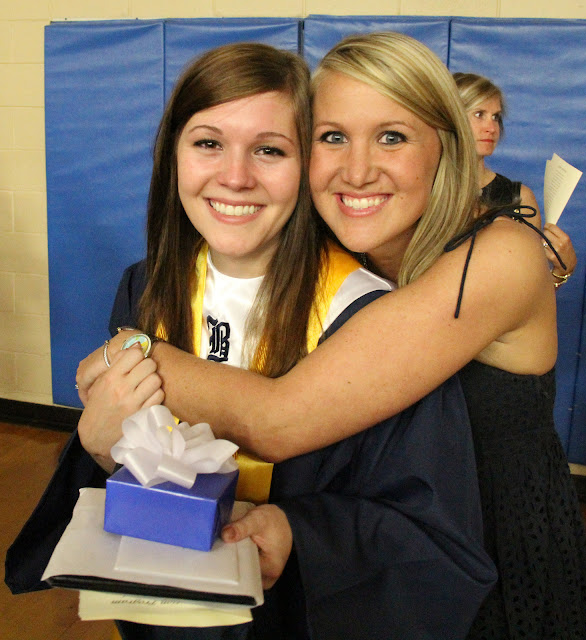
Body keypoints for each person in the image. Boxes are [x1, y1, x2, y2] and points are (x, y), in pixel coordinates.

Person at [75, 32, 586, 638]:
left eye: (392, 136)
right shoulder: (352, 249)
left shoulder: (499, 254)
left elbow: (278, 419)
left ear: (446, 146)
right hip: (386, 551)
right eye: (332, 137)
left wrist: (129, 351)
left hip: (489, 546)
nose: (357, 170)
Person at [6, 41, 496, 640]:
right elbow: (125, 471)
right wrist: (101, 448)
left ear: (306, 164)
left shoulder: (369, 321)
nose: (235, 177)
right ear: (172, 155)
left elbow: (432, 536)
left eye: (269, 150)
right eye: (208, 143)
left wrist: (300, 531)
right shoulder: (148, 287)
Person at [453, 71, 578, 289]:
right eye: (479, 114)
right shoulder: (422, 188)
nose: (491, 128)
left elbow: (528, 293)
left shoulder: (518, 198)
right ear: (450, 116)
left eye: (496, 117)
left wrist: (560, 272)